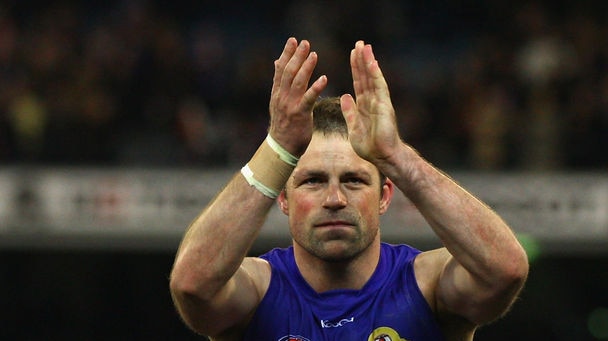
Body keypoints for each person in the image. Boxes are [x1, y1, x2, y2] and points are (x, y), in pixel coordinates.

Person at [169, 37, 529, 341]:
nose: (335, 199)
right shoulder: (257, 290)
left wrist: (397, 157)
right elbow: (192, 286)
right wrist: (277, 148)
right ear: (283, 198)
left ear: (386, 195)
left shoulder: (426, 284)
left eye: (354, 180)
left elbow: (504, 270)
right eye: (312, 181)